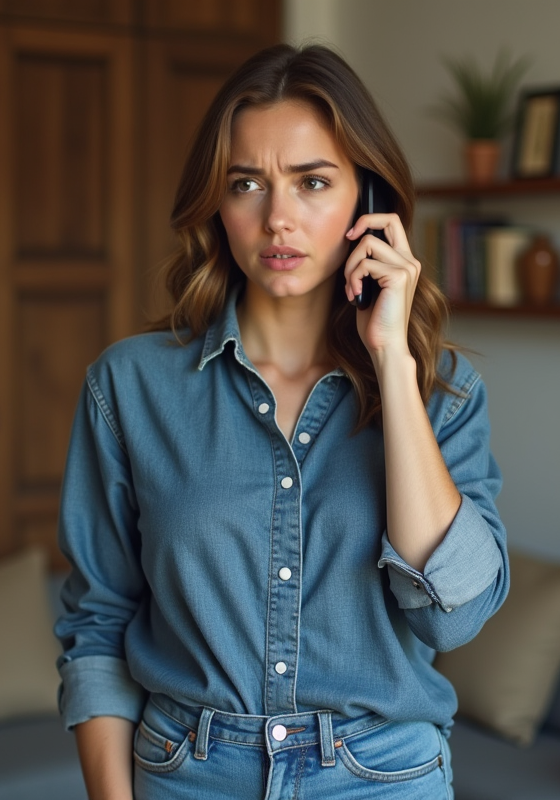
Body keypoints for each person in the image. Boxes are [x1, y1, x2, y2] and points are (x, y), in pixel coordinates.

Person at [54, 42, 508, 800]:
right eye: (247, 184)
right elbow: (98, 623)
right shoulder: (128, 387)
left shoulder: (442, 393)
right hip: (185, 773)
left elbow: (451, 618)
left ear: (367, 202)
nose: (277, 218)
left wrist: (393, 362)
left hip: (383, 778)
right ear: (217, 204)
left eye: (312, 182)